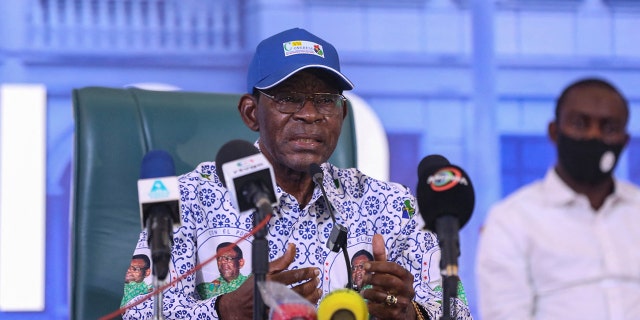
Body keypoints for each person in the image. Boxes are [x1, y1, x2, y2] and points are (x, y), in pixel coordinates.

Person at [122, 27, 472, 320]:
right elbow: (136, 312)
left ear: (342, 115)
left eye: (324, 99)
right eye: (288, 98)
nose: (310, 114)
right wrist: (224, 310)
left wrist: (410, 314)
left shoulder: (390, 204)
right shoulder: (190, 198)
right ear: (251, 113)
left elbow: (458, 312)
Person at [476, 77, 640, 319]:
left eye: (609, 128)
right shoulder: (512, 219)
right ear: (554, 131)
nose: (593, 136)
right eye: (579, 124)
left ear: (625, 141)